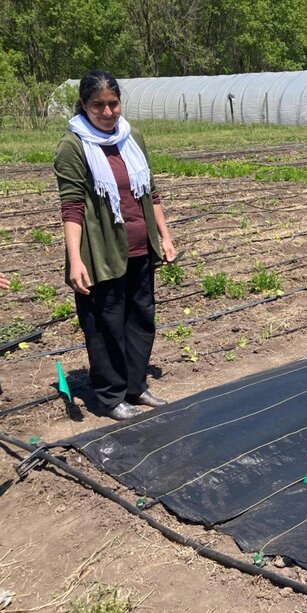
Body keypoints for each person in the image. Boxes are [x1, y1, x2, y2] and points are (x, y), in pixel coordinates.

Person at [54, 70, 176, 421]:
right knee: (105, 325)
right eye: (98, 106)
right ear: (83, 105)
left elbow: (151, 193)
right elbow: (72, 207)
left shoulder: (131, 135)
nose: (108, 112)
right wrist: (76, 259)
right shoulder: (73, 146)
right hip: (102, 253)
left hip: (140, 245)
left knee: (141, 319)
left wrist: (164, 236)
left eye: (113, 104)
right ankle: (110, 397)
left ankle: (136, 387)